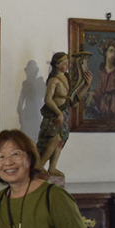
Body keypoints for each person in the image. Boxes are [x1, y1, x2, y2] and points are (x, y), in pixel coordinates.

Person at [36, 51, 90, 180]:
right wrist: (58, 113)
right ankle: (39, 167)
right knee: (54, 139)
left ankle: (52, 167)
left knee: (61, 141)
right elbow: (48, 99)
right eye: (64, 63)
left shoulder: (66, 79)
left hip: (64, 114)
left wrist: (86, 85)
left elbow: (73, 100)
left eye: (67, 63)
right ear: (57, 64)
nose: (67, 66)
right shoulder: (53, 80)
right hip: (54, 114)